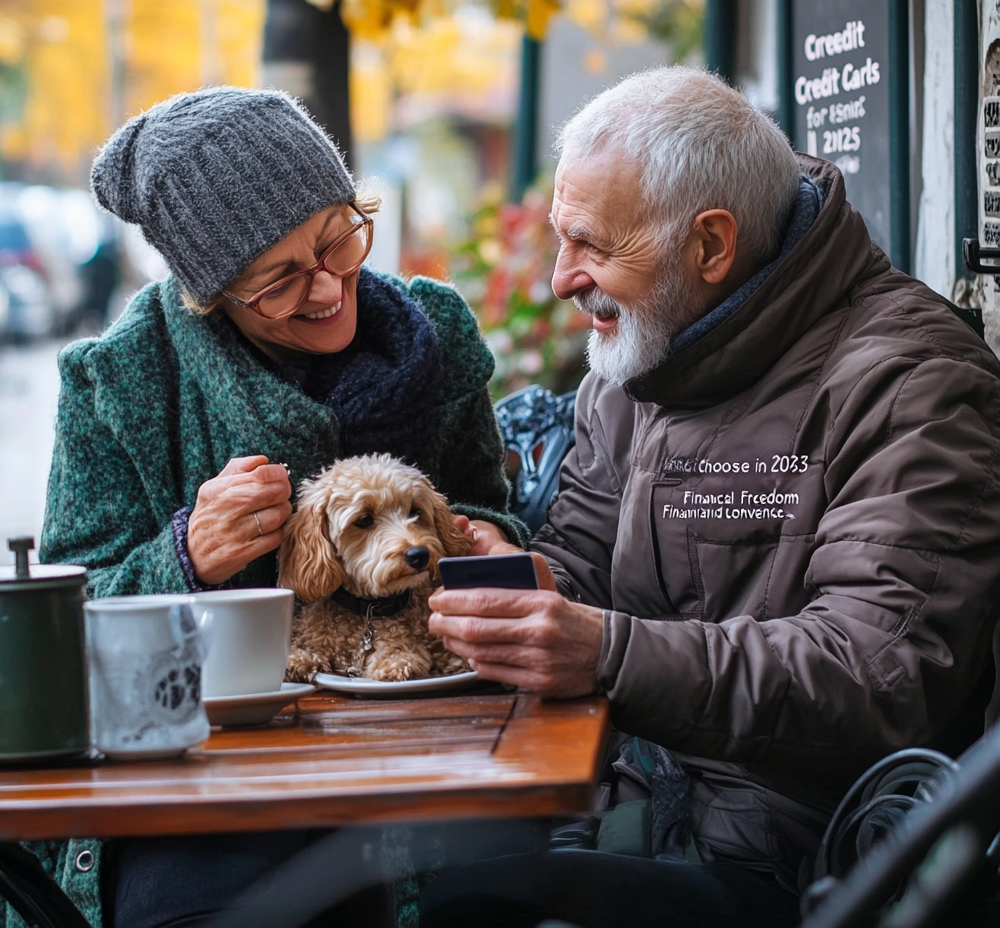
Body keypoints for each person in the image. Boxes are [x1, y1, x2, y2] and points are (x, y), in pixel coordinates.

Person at [425, 66, 1000, 927]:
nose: (560, 278)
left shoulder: (912, 385)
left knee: (466, 904)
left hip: (813, 866)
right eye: (558, 239)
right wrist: (522, 581)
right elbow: (581, 565)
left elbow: (879, 678)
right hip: (630, 807)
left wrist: (607, 653)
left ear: (710, 247)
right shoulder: (637, 359)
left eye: (591, 245)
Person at [0, 87, 525, 928]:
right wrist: (185, 556)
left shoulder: (432, 331)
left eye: (338, 239)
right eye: (281, 279)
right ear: (209, 296)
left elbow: (491, 510)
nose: (328, 286)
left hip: (427, 749)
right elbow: (61, 619)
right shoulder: (122, 379)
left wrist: (483, 535)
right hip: (199, 788)